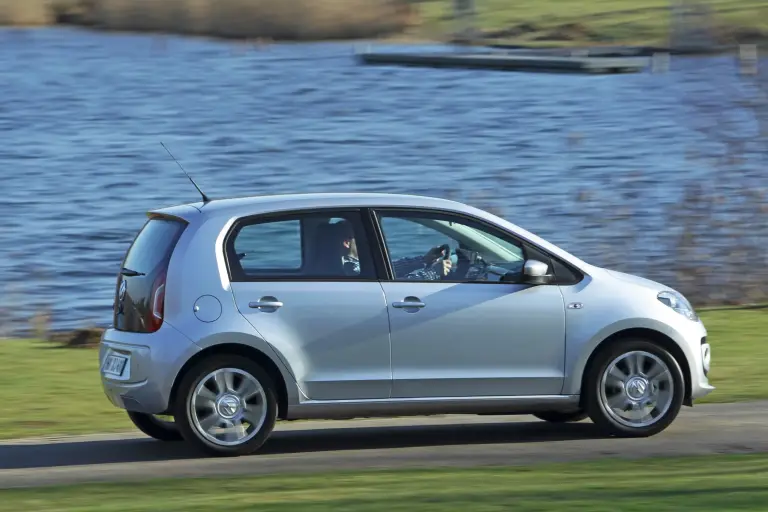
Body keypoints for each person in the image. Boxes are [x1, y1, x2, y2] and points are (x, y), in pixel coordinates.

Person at [328, 220, 452, 280]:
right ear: (346, 243)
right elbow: (399, 285)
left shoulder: (353, 264)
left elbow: (386, 270)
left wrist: (423, 260)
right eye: (362, 237)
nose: (368, 241)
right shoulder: (352, 269)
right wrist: (433, 272)